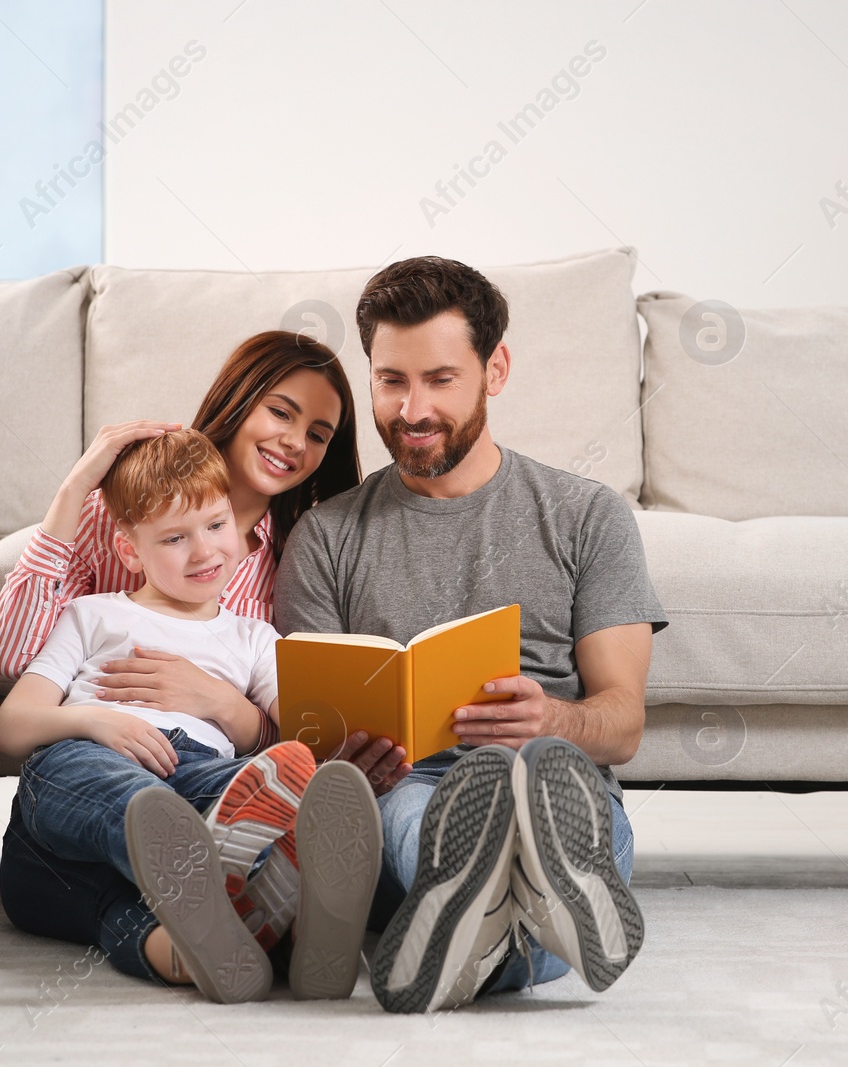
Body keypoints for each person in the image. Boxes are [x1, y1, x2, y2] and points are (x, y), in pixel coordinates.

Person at [274, 257, 668, 1012]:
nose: (412, 408)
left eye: (440, 379)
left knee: (556, 788)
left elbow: (622, 725)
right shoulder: (326, 537)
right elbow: (304, 744)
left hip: (554, 782)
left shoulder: (588, 517)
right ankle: (523, 931)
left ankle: (479, 925)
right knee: (412, 812)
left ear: (496, 369)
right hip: (409, 786)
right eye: (391, 380)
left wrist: (549, 717)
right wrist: (343, 760)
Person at [0, 331, 406, 992]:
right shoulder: (107, 570)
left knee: (204, 816)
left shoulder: (282, 578)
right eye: (282, 412)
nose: (296, 441)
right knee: (131, 803)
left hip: (198, 772)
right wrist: (97, 720)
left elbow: (293, 735)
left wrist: (217, 700)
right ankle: (254, 888)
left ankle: (212, 934)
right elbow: (15, 679)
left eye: (320, 432)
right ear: (133, 548)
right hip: (100, 757)